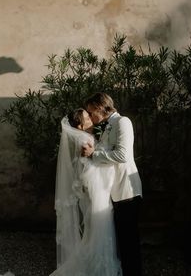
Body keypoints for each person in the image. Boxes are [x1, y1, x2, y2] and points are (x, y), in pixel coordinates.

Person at [49, 108, 122, 276]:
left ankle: (96, 265)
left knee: (95, 227)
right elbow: (88, 166)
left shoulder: (85, 137)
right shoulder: (85, 139)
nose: (91, 117)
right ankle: (98, 269)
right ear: (81, 125)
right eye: (87, 117)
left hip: (96, 189)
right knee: (99, 225)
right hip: (97, 189)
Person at [82, 92, 142, 276]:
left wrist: (94, 155)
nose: (91, 116)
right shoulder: (105, 126)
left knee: (128, 241)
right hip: (110, 191)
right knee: (118, 241)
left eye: (92, 112)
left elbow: (123, 155)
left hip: (125, 190)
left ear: (101, 107)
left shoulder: (123, 122)